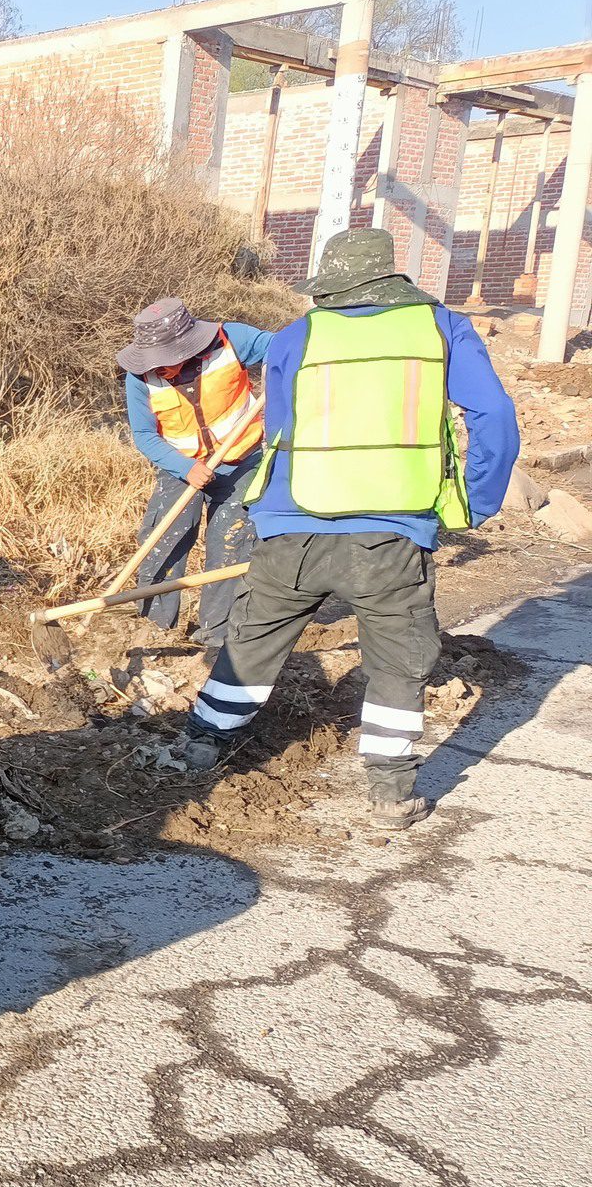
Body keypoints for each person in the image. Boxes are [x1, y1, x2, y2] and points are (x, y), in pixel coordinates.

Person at [179, 228, 521, 830]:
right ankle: (389, 795)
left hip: (292, 528)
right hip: (391, 531)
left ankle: (195, 748)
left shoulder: (297, 336)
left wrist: (278, 511)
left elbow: (281, 431)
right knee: (396, 658)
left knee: (251, 645)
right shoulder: (441, 329)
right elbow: (492, 414)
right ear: (390, 279)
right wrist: (478, 501)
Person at [115, 296, 272, 649]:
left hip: (240, 461)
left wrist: (282, 376)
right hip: (179, 466)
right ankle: (154, 632)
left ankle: (216, 639)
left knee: (231, 543)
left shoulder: (233, 341)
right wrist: (186, 468)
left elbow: (286, 353)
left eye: (168, 361)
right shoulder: (139, 377)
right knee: (164, 539)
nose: (163, 369)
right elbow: (143, 435)